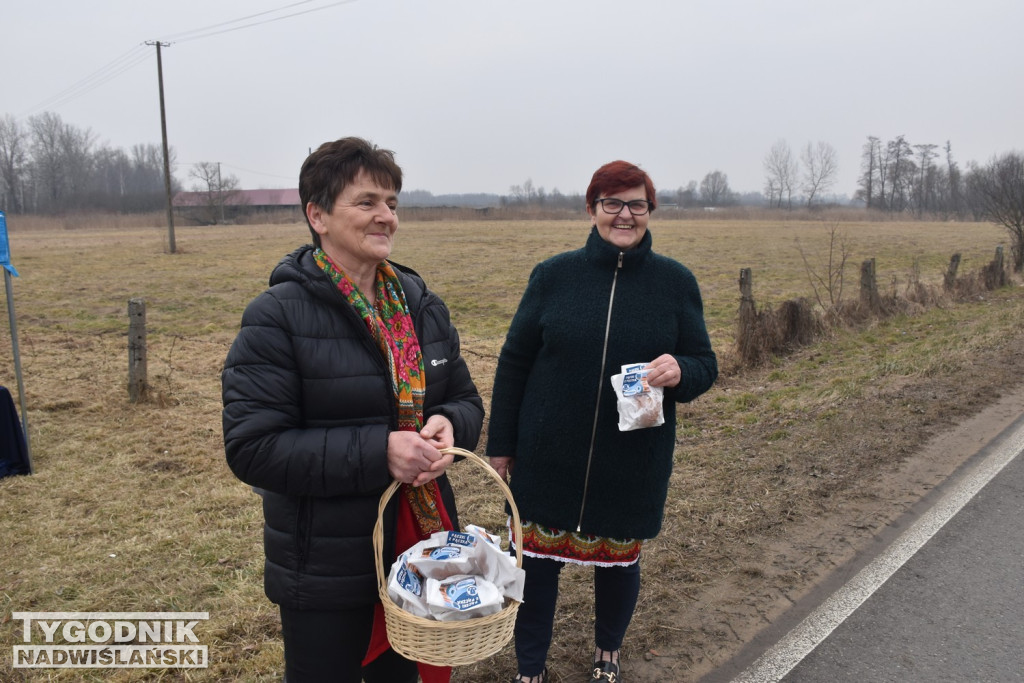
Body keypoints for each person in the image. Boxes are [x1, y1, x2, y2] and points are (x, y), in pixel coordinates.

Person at [221, 136, 484, 683]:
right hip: (325, 568)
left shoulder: (420, 304)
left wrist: (449, 426)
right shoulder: (277, 316)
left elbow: (465, 399)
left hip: (418, 551)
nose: (385, 216)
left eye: (391, 203)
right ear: (317, 215)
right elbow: (253, 448)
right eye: (366, 203)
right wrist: (379, 451)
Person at [486, 160, 718, 683]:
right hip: (547, 455)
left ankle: (608, 652)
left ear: (650, 211)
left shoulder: (676, 284)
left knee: (618, 565)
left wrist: (683, 370)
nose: (624, 215)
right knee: (535, 568)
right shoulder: (553, 276)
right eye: (612, 203)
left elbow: (705, 363)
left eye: (636, 204)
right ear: (592, 209)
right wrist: (501, 445)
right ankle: (530, 669)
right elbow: (514, 360)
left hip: (631, 459)